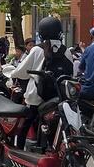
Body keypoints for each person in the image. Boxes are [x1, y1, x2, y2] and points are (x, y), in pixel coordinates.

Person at [6, 15, 64, 149]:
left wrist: (11, 73)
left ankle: (18, 150)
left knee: (24, 125)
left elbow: (22, 72)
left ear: (41, 33)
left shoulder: (37, 50)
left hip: (36, 97)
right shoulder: (65, 51)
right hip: (57, 97)